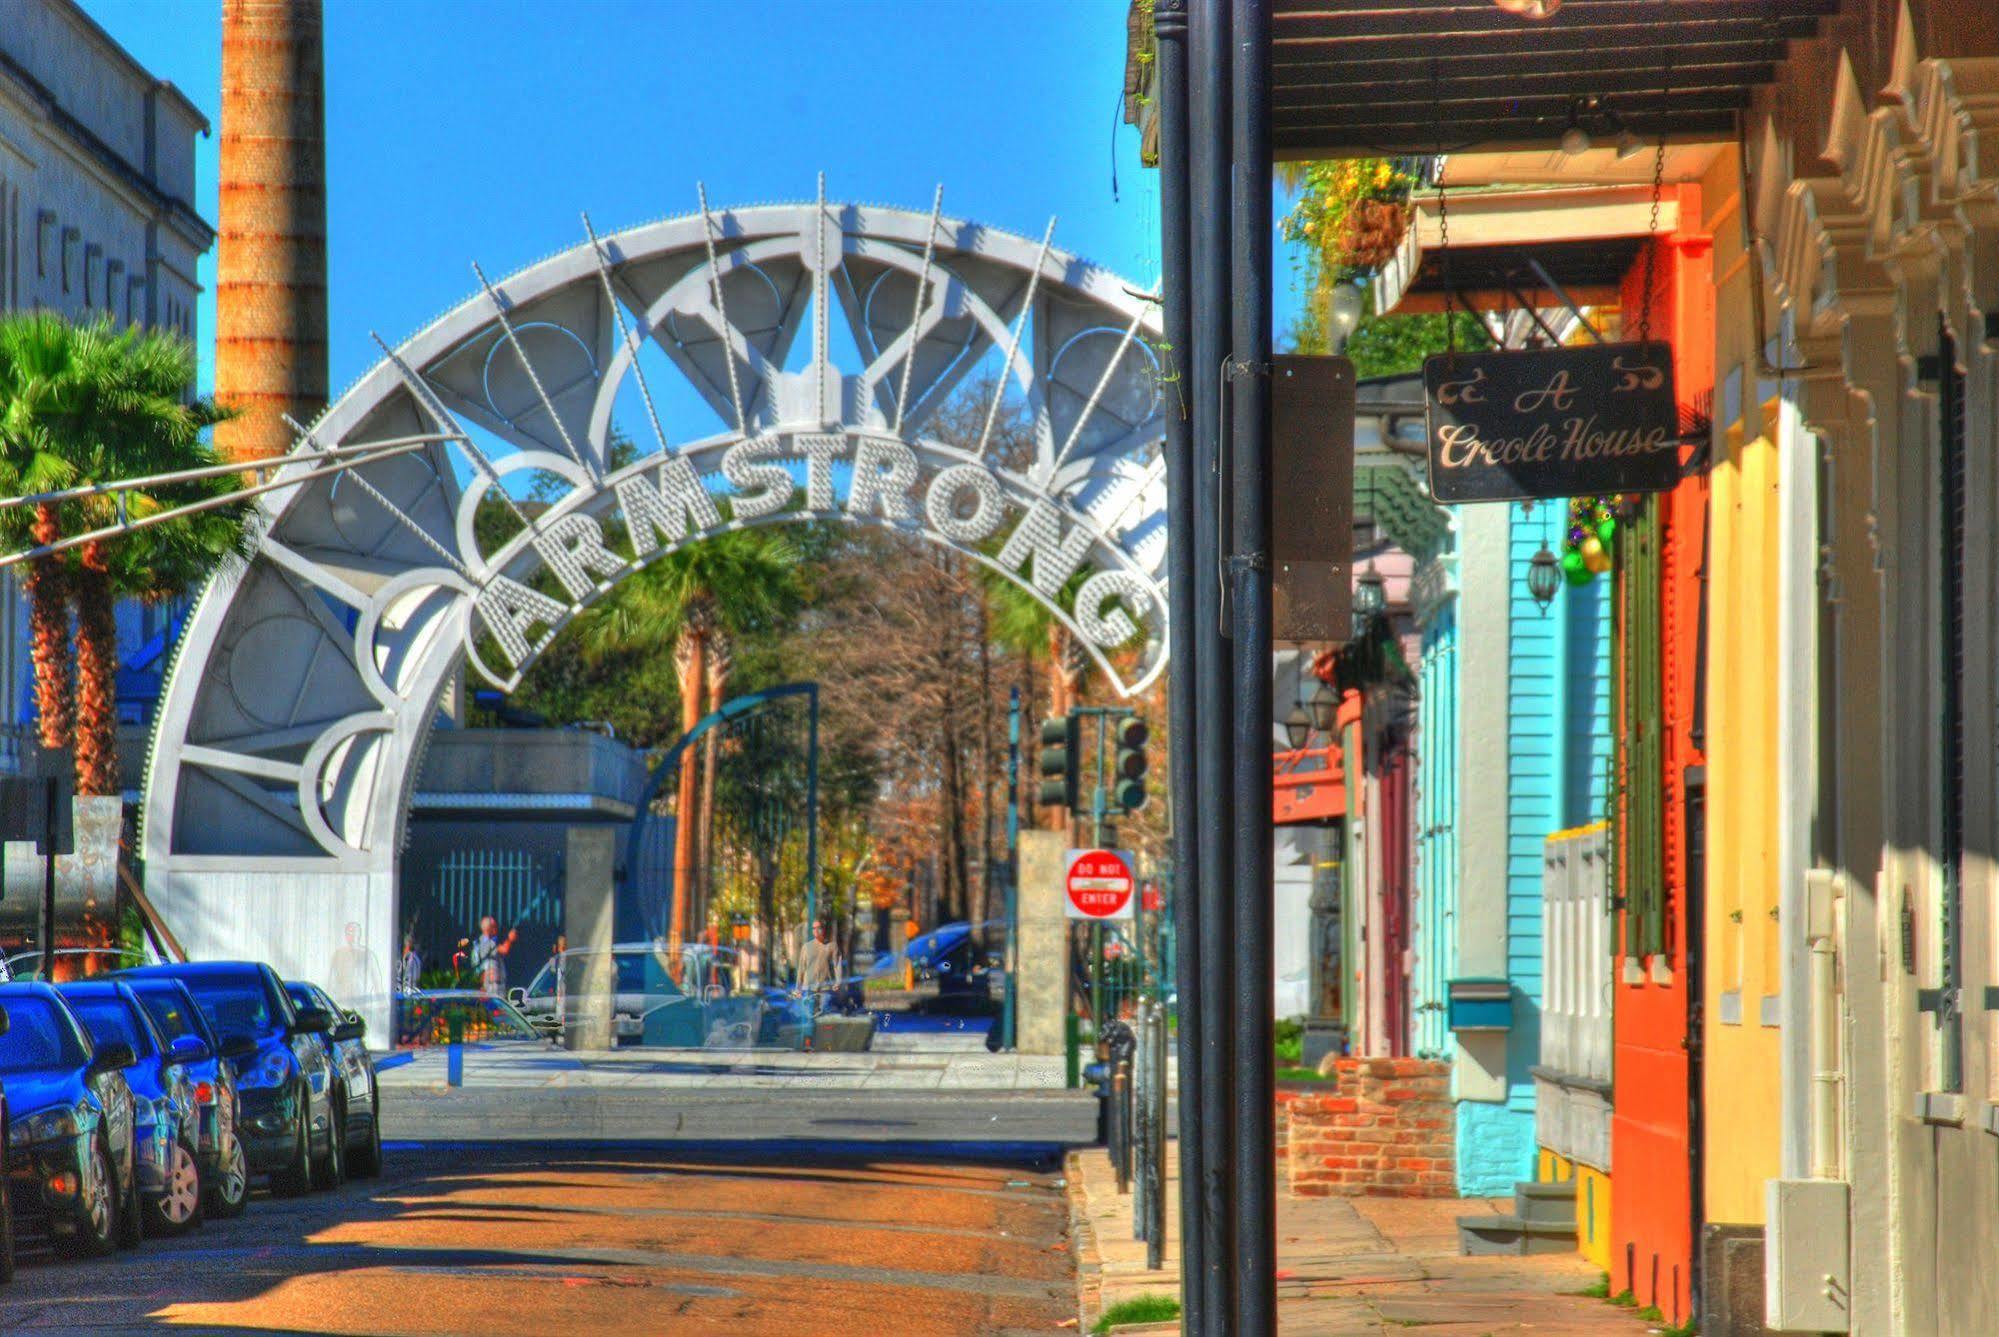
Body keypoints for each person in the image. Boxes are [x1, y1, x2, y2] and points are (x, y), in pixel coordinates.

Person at [459, 915, 517, 996]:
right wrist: (510, 939)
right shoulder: (486, 943)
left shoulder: (479, 942)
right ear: (489, 929)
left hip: (487, 983)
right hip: (490, 985)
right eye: (495, 926)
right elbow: (504, 950)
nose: (497, 928)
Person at [796, 919, 839, 1009]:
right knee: (810, 1016)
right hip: (809, 988)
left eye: (818, 928)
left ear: (823, 929)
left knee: (823, 1015)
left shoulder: (831, 946)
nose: (815, 930)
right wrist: (798, 988)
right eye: (813, 928)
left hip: (825, 988)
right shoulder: (806, 947)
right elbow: (801, 969)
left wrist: (838, 981)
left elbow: (837, 964)